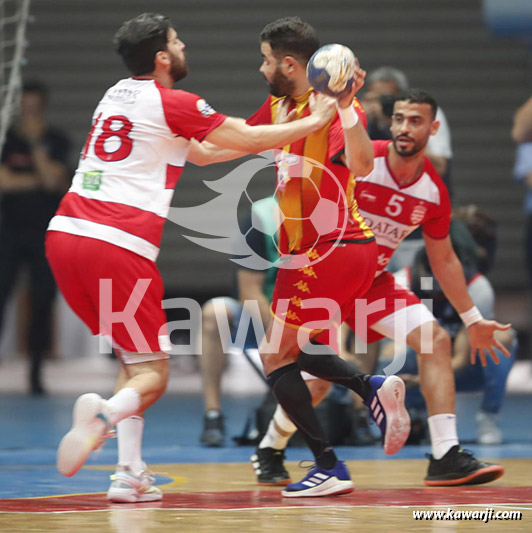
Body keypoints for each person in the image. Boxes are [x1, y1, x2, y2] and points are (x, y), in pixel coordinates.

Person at [45, 12, 337, 503]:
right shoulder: (173, 101)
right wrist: (316, 120)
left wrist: (276, 128)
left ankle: (129, 474)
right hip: (118, 244)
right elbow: (243, 138)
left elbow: (202, 153)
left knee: (133, 360)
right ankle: (103, 416)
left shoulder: (114, 96)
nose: (184, 48)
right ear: (162, 57)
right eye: (177, 42)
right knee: (154, 373)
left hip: (65, 236)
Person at [255, 90, 511, 488]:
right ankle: (271, 447)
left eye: (415, 121)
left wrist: (473, 319)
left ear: (433, 128)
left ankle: (445, 454)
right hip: (327, 275)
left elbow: (444, 260)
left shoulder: (432, 191)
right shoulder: (361, 157)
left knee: (436, 340)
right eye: (399, 119)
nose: (404, 128)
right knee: (318, 380)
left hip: (371, 283)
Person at [238, 17, 413, 498]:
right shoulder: (278, 106)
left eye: (267, 60)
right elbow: (236, 139)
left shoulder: (335, 107)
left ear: (289, 63)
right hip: (323, 254)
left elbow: (361, 165)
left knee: (275, 356)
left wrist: (344, 109)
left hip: (330, 249)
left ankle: (329, 465)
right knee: (300, 351)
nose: (261, 67)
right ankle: (369, 386)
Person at [392, 228, 516, 445]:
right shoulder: (401, 282)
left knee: (502, 340)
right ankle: (416, 413)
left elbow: (460, 356)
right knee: (393, 352)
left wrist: (426, 379)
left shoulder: (478, 288)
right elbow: (392, 346)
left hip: (462, 366)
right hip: (419, 361)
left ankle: (489, 415)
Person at [0, 80, 71, 394]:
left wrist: (35, 148)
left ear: (42, 108)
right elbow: (4, 184)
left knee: (42, 300)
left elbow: (53, 181)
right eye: (24, 109)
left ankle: (36, 372)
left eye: (33, 109)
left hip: (45, 234)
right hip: (8, 232)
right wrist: (37, 179)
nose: (28, 115)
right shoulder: (6, 141)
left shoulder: (55, 141)